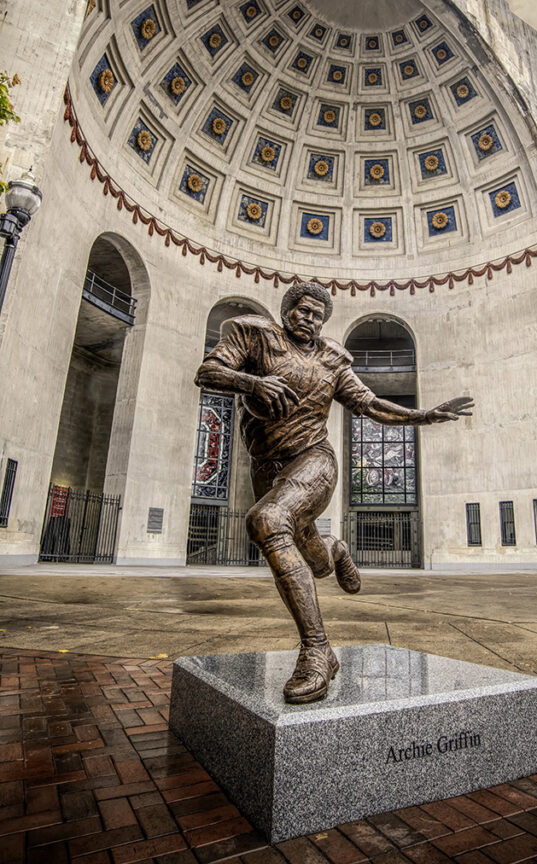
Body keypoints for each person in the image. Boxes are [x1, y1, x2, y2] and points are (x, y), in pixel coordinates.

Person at [195, 281, 474, 703]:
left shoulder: (332, 359)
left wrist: (424, 415)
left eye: (317, 316)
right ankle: (336, 549)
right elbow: (207, 372)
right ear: (286, 310)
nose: (309, 320)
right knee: (316, 562)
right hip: (266, 465)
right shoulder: (252, 333)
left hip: (314, 461)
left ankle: (317, 650)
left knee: (266, 521)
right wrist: (252, 383)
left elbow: (371, 405)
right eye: (303, 311)